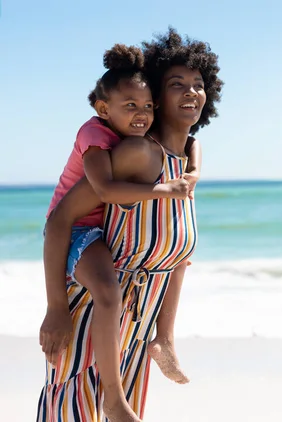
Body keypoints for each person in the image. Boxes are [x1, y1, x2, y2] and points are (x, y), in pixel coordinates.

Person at [37, 27, 223, 421]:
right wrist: (55, 308)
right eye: (177, 84)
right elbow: (59, 221)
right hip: (91, 327)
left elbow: (174, 258)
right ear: (156, 94)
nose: (191, 92)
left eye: (198, 84)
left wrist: (164, 338)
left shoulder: (185, 166)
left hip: (135, 339)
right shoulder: (138, 155)